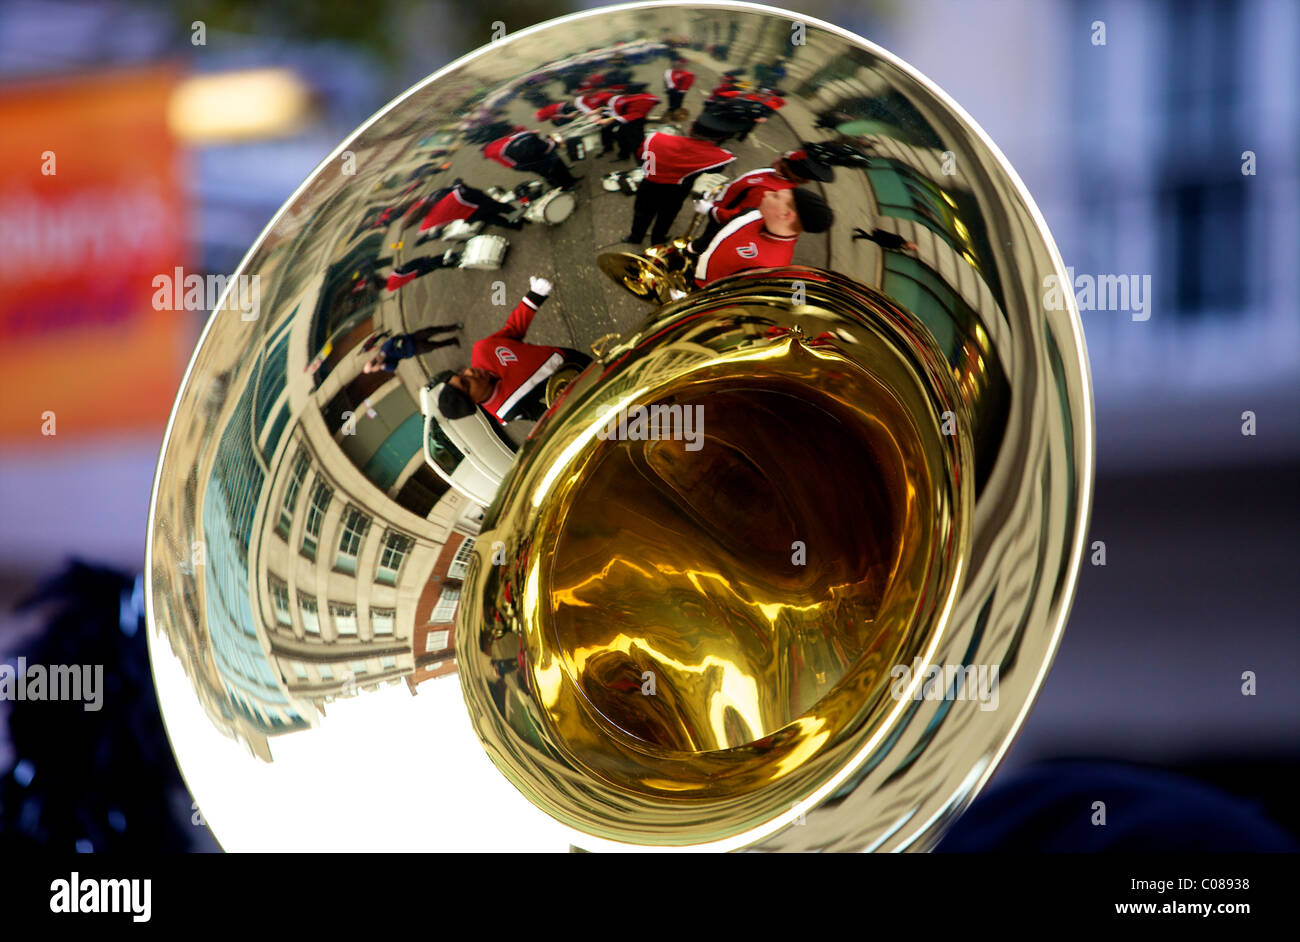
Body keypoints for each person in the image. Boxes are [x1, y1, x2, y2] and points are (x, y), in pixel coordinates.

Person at [437, 277, 591, 424]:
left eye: (461, 373)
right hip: (577, 391)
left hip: (572, 358)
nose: (469, 372)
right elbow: (549, 416)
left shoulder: (482, 349)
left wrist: (534, 296)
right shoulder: (506, 410)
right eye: (465, 382)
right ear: (474, 401)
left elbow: (513, 330)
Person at [623, 114, 740, 246]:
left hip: (649, 185)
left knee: (641, 212)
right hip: (676, 192)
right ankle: (657, 240)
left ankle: (635, 237)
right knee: (666, 217)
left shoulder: (656, 138)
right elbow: (715, 170)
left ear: (691, 129)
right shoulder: (720, 157)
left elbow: (640, 156)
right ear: (719, 138)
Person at [692, 147, 834, 250]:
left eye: (782, 161)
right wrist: (718, 195)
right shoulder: (771, 172)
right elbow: (741, 185)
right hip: (720, 207)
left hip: (721, 225)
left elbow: (739, 219)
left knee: (704, 248)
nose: (777, 159)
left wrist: (710, 210)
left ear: (788, 169)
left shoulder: (766, 192)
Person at [692, 187, 834, 288]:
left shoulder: (767, 268)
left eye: (775, 196)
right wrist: (691, 248)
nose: (766, 193)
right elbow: (719, 235)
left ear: (785, 215)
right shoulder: (752, 213)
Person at [413, 180, 521, 242]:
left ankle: (515, 226)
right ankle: (519, 216)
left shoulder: (431, 217)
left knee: (493, 219)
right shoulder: (434, 195)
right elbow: (456, 188)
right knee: (500, 207)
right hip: (475, 201)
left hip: (469, 214)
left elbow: (447, 220)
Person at [482, 127, 579, 190]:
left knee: (555, 164)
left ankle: (570, 181)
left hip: (524, 158)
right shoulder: (502, 146)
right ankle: (564, 187)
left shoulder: (497, 145)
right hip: (524, 161)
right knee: (550, 171)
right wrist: (552, 143)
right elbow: (538, 149)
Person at [362, 323, 462, 373]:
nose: (375, 362)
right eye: (372, 365)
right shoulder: (385, 365)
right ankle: (453, 341)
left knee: (433, 330)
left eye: (372, 362)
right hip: (414, 350)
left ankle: (455, 326)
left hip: (412, 338)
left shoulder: (383, 350)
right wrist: (381, 365)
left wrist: (382, 355)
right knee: (435, 346)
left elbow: (393, 340)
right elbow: (394, 366)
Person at [599, 87, 661, 161]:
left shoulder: (643, 100)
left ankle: (643, 162)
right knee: (621, 136)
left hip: (635, 123)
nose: (624, 95)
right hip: (626, 121)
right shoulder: (627, 98)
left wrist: (613, 119)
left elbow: (635, 115)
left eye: (626, 94)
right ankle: (624, 155)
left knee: (636, 143)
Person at [852, 226, 918, 252]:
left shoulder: (902, 246)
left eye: (911, 248)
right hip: (881, 237)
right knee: (868, 237)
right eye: (911, 248)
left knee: (869, 237)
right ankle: (857, 234)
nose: (910, 248)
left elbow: (891, 246)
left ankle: (857, 232)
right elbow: (888, 234)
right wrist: (878, 230)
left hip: (881, 241)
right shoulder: (899, 239)